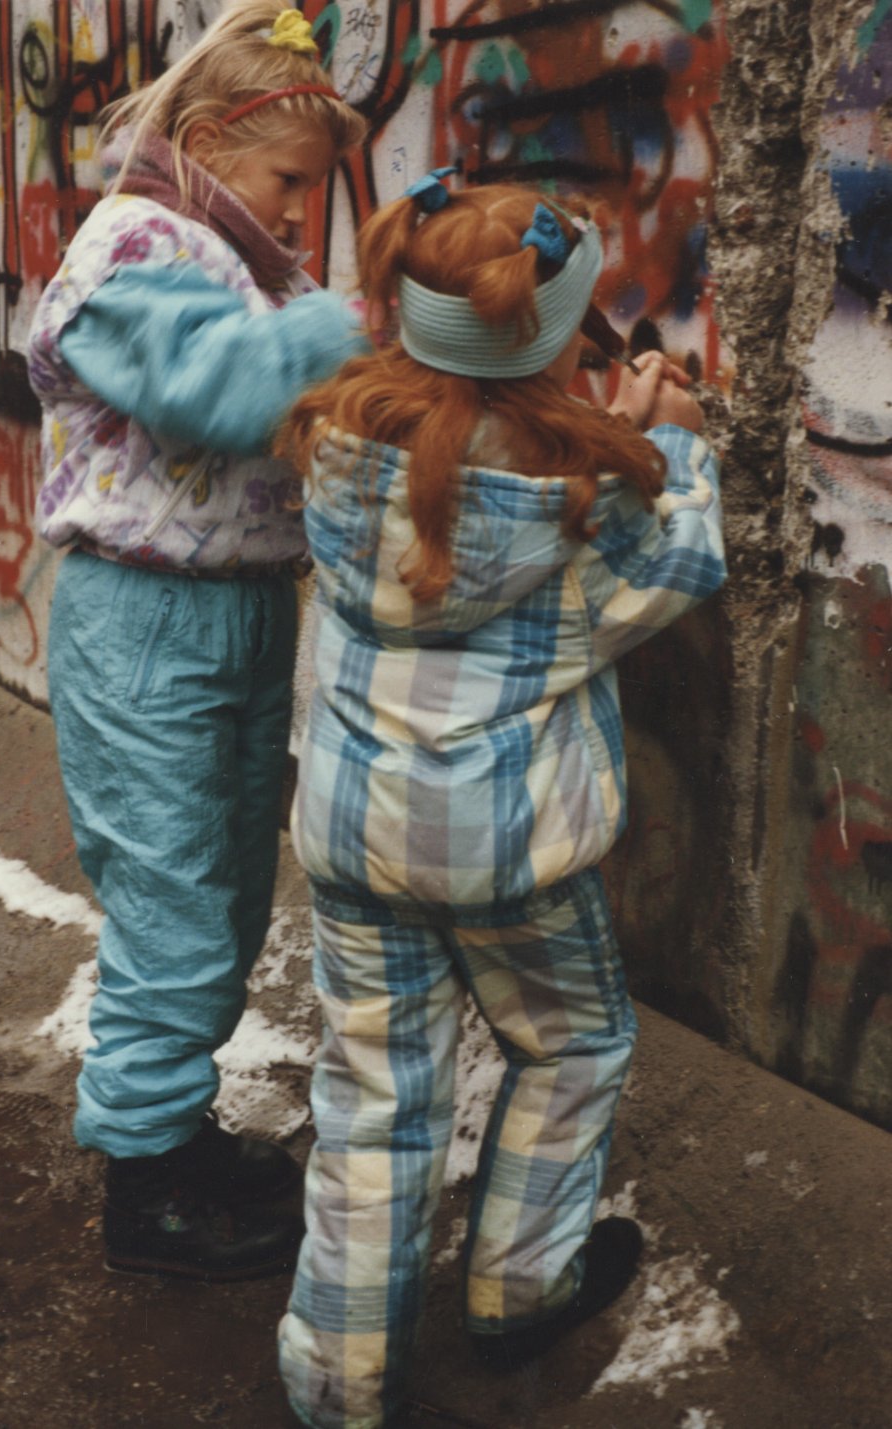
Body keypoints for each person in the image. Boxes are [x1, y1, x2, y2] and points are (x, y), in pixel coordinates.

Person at [275, 172, 727, 1427]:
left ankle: (336, 1379)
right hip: (510, 852)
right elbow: (686, 558)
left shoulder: (338, 441)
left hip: (358, 836)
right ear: (556, 339)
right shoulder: (584, 503)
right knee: (572, 1042)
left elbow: (461, 441)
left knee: (373, 1100)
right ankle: (519, 1289)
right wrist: (669, 435)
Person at [25, 2, 367, 1282]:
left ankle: (177, 1126)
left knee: (220, 892)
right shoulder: (132, 247)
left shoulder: (236, 256)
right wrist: (355, 320)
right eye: (287, 181)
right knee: (169, 897)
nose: (296, 213)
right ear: (217, 134)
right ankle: (148, 1191)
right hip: (146, 620)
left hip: (238, 613)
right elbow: (216, 390)